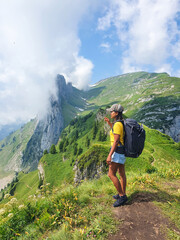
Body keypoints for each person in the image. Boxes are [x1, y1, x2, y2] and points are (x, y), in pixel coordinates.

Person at [104, 104, 127, 207]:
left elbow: (116, 140)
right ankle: (122, 194)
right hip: (121, 151)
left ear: (116, 113)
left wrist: (110, 155)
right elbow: (117, 132)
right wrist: (109, 124)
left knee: (111, 174)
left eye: (112, 111)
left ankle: (122, 196)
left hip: (116, 151)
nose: (110, 113)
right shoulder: (119, 123)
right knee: (121, 173)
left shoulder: (118, 124)